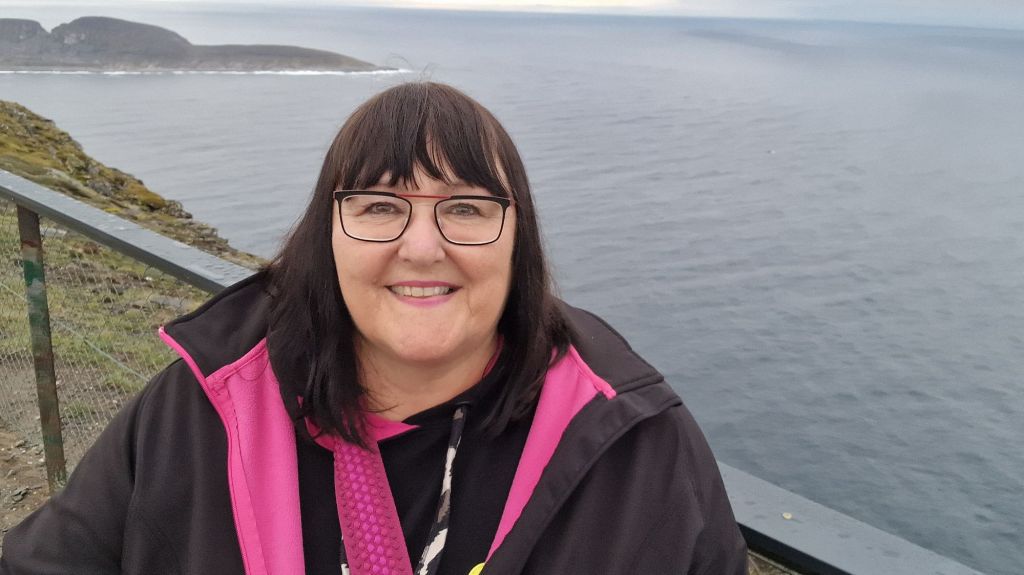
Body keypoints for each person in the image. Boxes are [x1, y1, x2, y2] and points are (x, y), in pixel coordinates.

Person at [0, 82, 747, 575]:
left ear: (518, 240)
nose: (422, 247)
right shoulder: (201, 407)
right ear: (328, 234)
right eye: (380, 207)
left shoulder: (632, 445)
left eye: (466, 208)